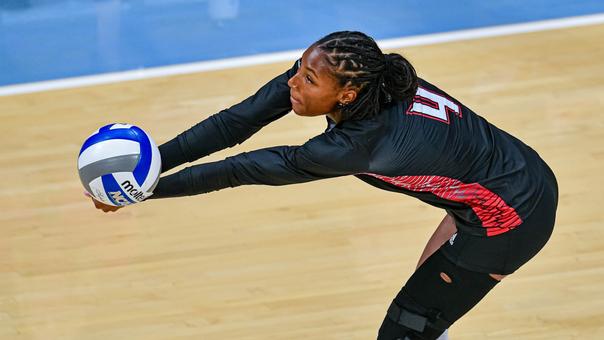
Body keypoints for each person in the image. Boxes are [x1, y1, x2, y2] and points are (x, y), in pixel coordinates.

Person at [89, 31, 558, 339]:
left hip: (508, 222)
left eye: (307, 79)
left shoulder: (359, 146)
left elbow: (240, 168)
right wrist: (148, 164)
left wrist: (144, 191)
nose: (293, 81)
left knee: (405, 328)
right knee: (428, 320)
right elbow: (239, 120)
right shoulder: (352, 72)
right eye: (299, 68)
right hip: (512, 177)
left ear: (346, 95)